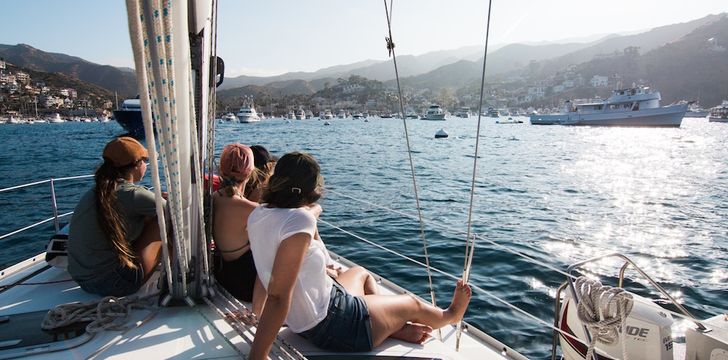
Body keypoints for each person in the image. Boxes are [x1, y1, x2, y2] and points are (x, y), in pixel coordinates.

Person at [247, 152, 471, 359]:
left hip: (309, 318)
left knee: (361, 274)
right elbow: (277, 296)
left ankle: (393, 326)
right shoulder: (300, 222)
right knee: (413, 304)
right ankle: (450, 315)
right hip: (337, 325)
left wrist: (256, 313)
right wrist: (258, 355)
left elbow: (265, 271)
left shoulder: (258, 214)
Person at [67, 136, 164, 297]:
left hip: (82, 281)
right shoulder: (133, 194)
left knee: (151, 215)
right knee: (163, 219)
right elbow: (176, 213)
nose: (145, 165)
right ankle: (182, 275)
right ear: (136, 165)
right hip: (117, 284)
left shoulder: (96, 192)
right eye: (144, 161)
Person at [212, 143, 265, 311]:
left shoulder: (213, 198)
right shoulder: (250, 209)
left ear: (221, 170)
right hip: (245, 286)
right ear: (250, 172)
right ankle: (258, 312)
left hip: (222, 275)